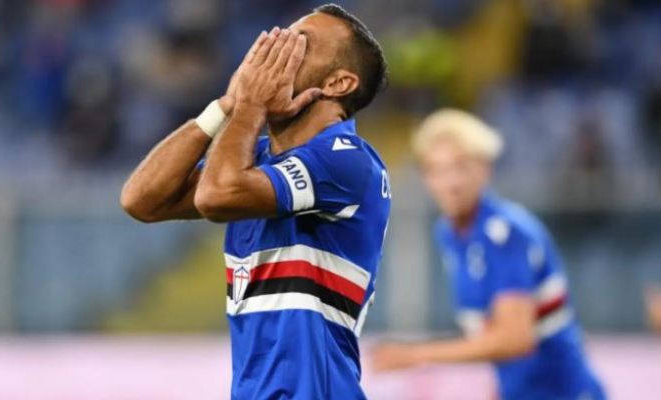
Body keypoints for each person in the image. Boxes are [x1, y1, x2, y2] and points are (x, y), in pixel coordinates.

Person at [120, 4, 390, 399]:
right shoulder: (254, 157)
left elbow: (216, 195)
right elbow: (142, 200)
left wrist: (249, 106)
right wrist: (226, 106)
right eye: (281, 37)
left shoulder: (346, 159)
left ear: (338, 83)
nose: (275, 50)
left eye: (300, 44)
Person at [372, 109, 605, 400]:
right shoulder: (450, 234)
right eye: (437, 170)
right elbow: (494, 332)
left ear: (484, 169)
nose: (451, 182)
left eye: (460, 167)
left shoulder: (505, 235)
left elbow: (515, 338)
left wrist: (415, 354)